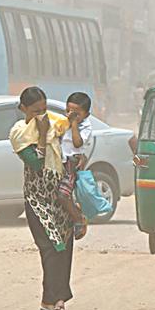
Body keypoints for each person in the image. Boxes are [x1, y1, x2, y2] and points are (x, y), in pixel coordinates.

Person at [9, 87, 74, 310]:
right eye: (36, 111)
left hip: (58, 199)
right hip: (38, 201)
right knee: (50, 248)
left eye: (44, 110)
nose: (42, 116)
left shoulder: (54, 128)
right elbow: (36, 163)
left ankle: (53, 300)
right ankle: (55, 300)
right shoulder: (20, 133)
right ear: (23, 109)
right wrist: (44, 138)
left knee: (63, 248)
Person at [59, 92, 93, 240]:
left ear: (86, 114)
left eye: (76, 114)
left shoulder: (85, 127)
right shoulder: (61, 122)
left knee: (63, 194)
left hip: (71, 164)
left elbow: (77, 143)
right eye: (69, 111)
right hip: (59, 162)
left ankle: (79, 218)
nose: (71, 115)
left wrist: (73, 124)